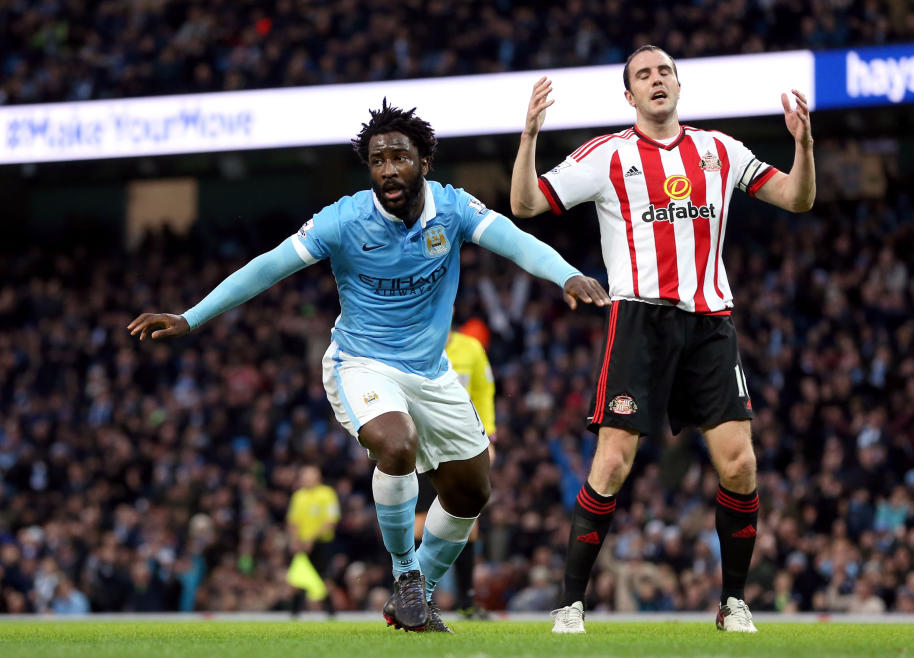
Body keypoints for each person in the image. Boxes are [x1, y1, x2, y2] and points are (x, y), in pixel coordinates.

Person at [129, 99, 610, 633]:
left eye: (399, 157)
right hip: (361, 362)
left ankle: (416, 594)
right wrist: (191, 317)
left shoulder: (451, 209)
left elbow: (514, 241)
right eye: (377, 160)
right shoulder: (343, 219)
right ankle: (406, 576)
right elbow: (267, 267)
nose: (387, 170)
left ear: (424, 161)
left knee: (472, 490)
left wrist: (566, 275)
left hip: (431, 370)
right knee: (396, 443)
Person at [510, 45, 815, 634]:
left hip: (710, 324)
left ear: (678, 84)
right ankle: (571, 603)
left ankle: (733, 604)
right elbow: (526, 204)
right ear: (629, 96)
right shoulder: (608, 154)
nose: (656, 80)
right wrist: (529, 136)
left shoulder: (720, 151)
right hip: (639, 323)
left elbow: (798, 199)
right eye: (644, 75)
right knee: (613, 464)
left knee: (740, 465)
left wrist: (803, 145)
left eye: (664, 72)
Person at [414, 325, 496, 618]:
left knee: (468, 525)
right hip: (423, 445)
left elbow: (484, 392)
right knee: (419, 526)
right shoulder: (416, 341)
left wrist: (490, 436)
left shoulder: (471, 348)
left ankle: (467, 601)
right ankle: (414, 599)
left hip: (461, 444)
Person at [286, 465, 340, 618]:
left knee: (324, 579)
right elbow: (293, 521)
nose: (306, 479)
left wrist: (311, 539)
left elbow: (331, 521)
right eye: (304, 476)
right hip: (302, 544)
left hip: (321, 544)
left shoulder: (327, 494)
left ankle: (331, 613)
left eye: (309, 476)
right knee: (298, 579)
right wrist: (295, 541)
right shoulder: (298, 496)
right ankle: (294, 615)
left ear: (318, 478)